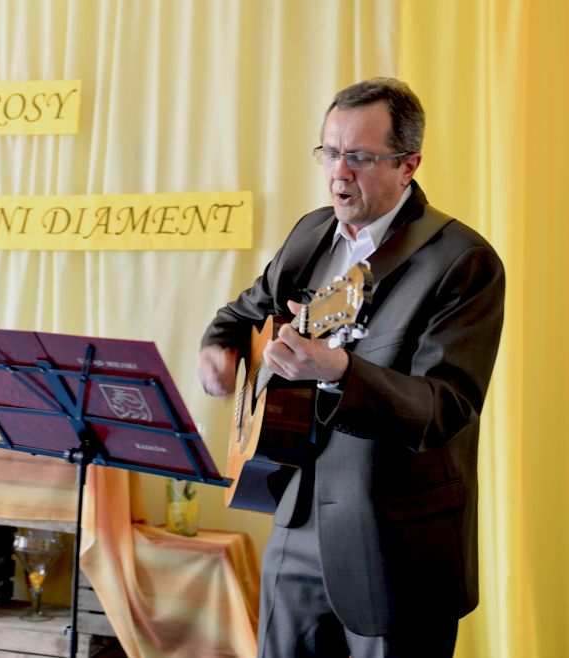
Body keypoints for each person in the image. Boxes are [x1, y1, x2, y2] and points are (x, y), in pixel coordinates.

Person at [197, 78, 504, 658]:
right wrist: (218, 350)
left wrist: (340, 370)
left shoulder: (463, 262)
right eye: (330, 152)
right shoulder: (310, 235)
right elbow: (241, 315)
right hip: (295, 521)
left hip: (396, 545)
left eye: (360, 157)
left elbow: (445, 407)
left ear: (408, 165)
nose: (339, 172)